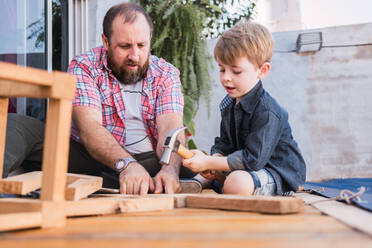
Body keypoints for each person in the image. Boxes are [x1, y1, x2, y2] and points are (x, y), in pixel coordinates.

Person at [2, 2, 196, 195]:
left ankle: (134, 182)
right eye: (125, 46)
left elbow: (171, 132)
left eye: (141, 45)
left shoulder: (166, 73)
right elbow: (90, 128)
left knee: (192, 166)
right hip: (89, 157)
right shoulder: (84, 66)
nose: (135, 55)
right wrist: (126, 165)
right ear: (106, 41)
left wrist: (170, 170)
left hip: (148, 162)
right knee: (14, 125)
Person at [183, 21, 306, 196]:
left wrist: (210, 161)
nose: (226, 78)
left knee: (237, 183)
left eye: (236, 71)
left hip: (275, 172)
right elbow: (225, 143)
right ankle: (197, 183)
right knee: (211, 173)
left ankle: (220, 184)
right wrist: (212, 161)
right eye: (221, 69)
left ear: (262, 71)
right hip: (244, 168)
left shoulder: (268, 111)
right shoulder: (229, 104)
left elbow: (252, 160)